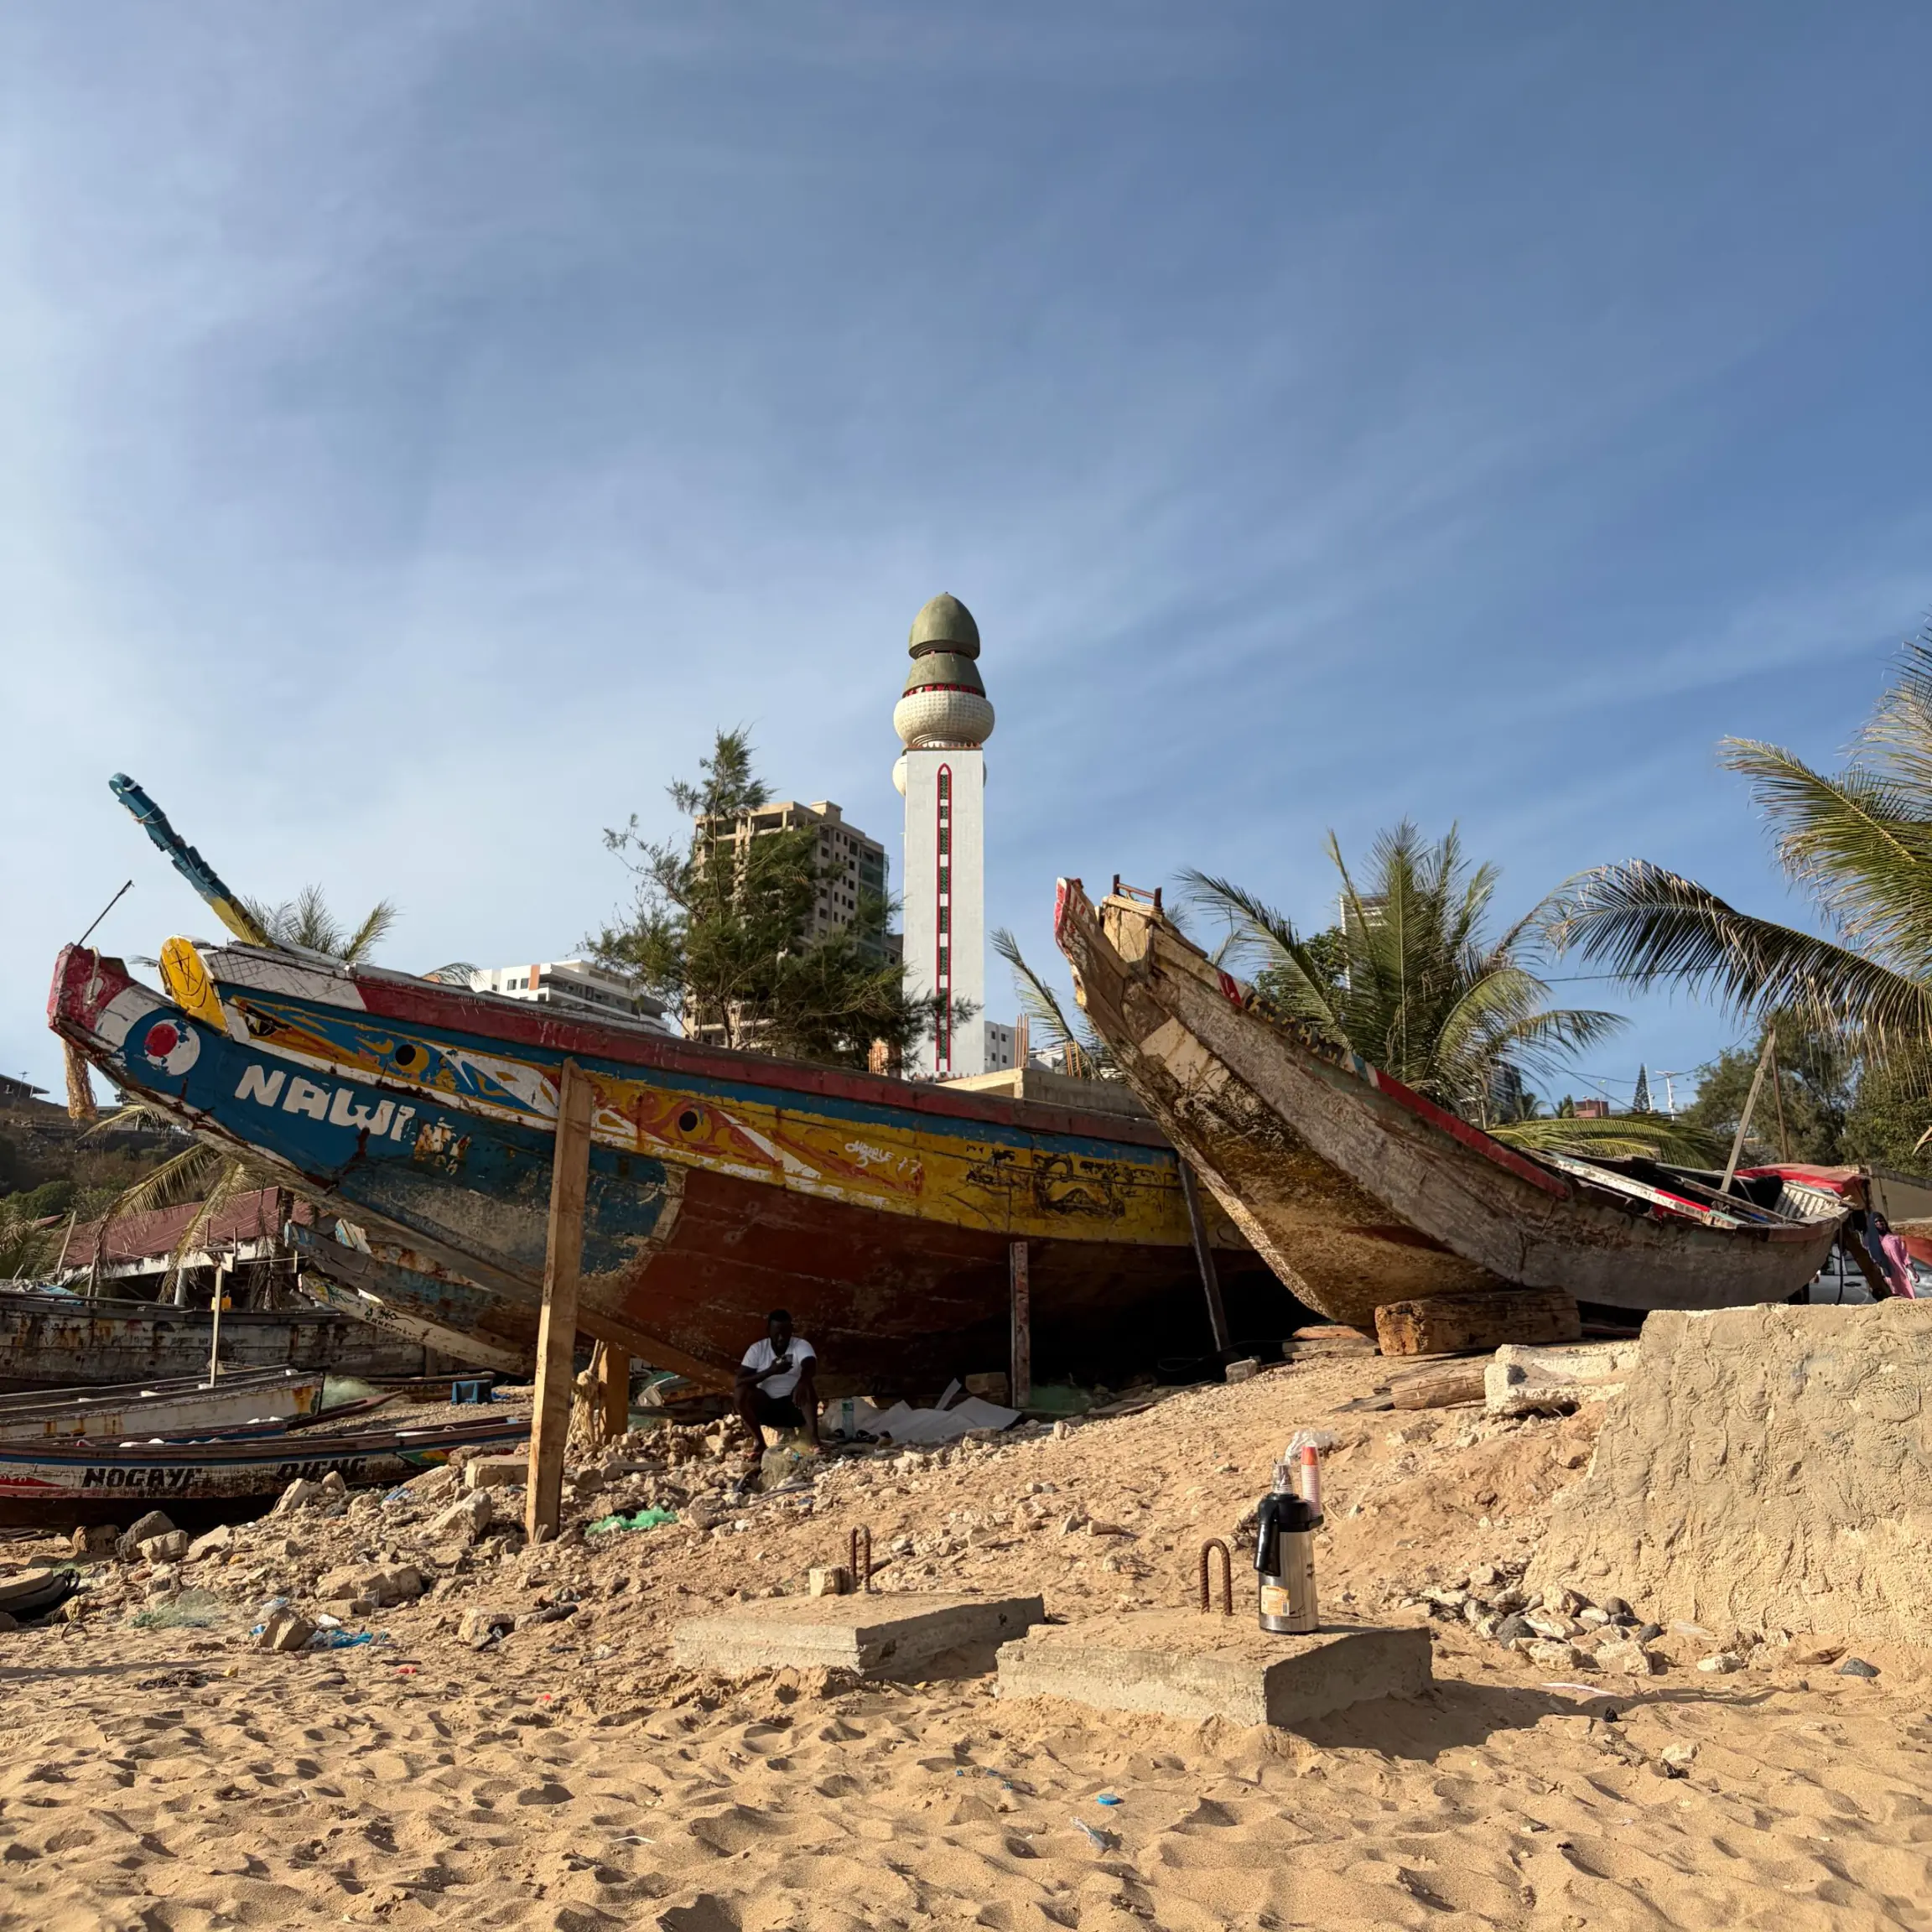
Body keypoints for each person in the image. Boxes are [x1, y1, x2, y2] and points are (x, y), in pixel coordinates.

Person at [734, 1309, 818, 1491]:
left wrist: (802, 1381)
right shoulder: (758, 1349)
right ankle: (760, 1442)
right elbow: (739, 1381)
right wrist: (770, 1372)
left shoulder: (800, 1345)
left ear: (791, 1330)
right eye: (777, 1333)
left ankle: (814, 1440)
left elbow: (810, 1364)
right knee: (742, 1393)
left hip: (795, 1407)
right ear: (768, 1331)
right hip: (768, 1409)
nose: (781, 1338)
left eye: (785, 1332)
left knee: (808, 1386)